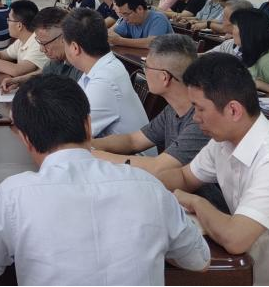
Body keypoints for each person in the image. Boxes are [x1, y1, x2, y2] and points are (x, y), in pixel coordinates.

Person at [0, 74, 209, 285]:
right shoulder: (149, 187)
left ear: (25, 138)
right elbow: (198, 258)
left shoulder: (15, 196)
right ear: (88, 126)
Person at [157, 53, 269, 286]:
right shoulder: (223, 142)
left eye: (199, 109)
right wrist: (144, 186)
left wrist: (196, 202)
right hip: (254, 274)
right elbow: (183, 176)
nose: (196, 118)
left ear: (233, 110)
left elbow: (235, 239)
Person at [91, 35, 226, 211]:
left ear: (164, 77)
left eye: (146, 66)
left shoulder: (201, 121)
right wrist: (91, 144)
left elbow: (158, 168)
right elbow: (133, 140)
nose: (144, 69)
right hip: (176, 199)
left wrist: (92, 154)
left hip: (205, 209)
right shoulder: (173, 108)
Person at [62, 8, 149, 139]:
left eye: (64, 43)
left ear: (75, 48)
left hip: (126, 152)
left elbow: (69, 133)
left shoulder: (104, 80)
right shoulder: (99, 67)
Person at [0, 7, 82, 93]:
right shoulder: (57, 60)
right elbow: (44, 74)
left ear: (64, 38)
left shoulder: (81, 66)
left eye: (45, 43)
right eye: (39, 42)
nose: (42, 49)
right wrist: (19, 81)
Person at [0, 0, 48, 77]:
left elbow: (16, 71)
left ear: (19, 26)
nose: (7, 23)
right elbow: (1, 55)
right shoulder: (22, 40)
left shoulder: (38, 43)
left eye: (9, 20)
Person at [108, 0, 172, 49]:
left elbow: (152, 43)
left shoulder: (158, 19)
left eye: (126, 14)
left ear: (140, 9)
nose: (125, 19)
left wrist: (120, 41)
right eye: (122, 15)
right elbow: (112, 34)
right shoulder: (128, 21)